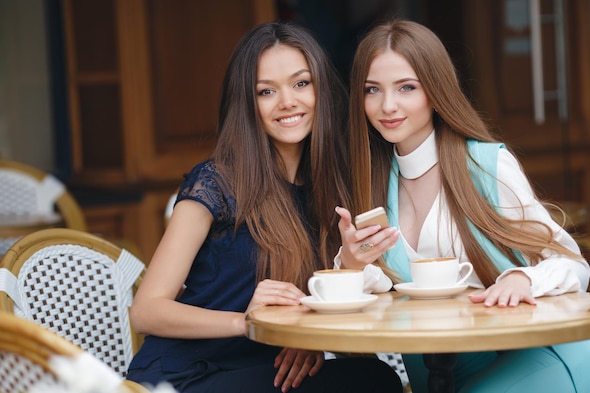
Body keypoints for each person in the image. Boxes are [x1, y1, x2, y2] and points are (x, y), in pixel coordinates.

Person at [334, 20, 590, 393]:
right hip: (442, 374)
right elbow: (377, 299)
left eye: (407, 87)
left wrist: (522, 278)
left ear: (435, 91)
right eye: (373, 90)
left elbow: (573, 265)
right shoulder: (372, 183)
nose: (388, 105)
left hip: (541, 358)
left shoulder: (486, 165)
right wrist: (352, 265)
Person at [125, 22, 403, 393]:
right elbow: (146, 311)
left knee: (375, 378)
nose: (287, 101)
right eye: (266, 91)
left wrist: (308, 332)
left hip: (267, 372)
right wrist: (248, 322)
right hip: (186, 376)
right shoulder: (216, 183)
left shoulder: (329, 188)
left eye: (301, 83)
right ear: (248, 103)